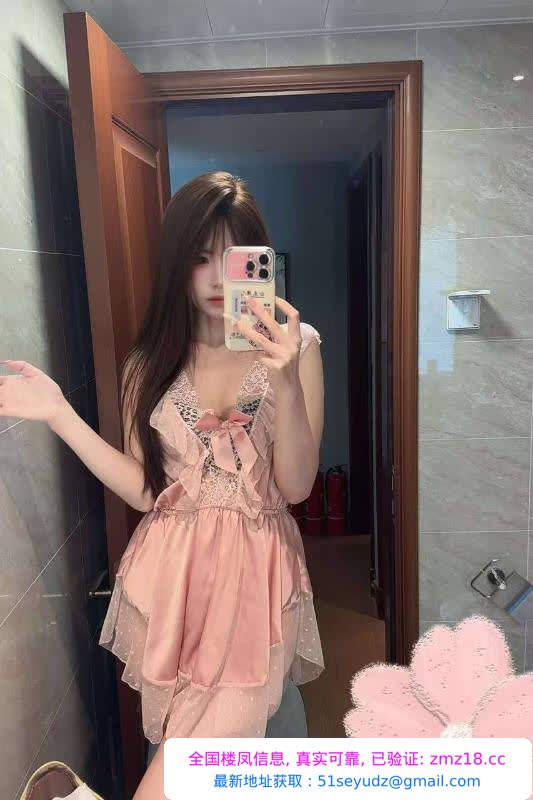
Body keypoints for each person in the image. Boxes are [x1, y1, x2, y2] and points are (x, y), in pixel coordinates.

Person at [0, 171, 325, 800]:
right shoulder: (148, 364)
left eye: (233, 259)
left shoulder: (299, 348)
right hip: (175, 579)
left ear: (258, 263)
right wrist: (61, 413)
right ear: (177, 263)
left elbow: (295, 486)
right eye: (200, 258)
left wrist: (285, 383)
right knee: (191, 744)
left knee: (215, 738)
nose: (216, 278)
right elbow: (148, 491)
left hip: (257, 574)